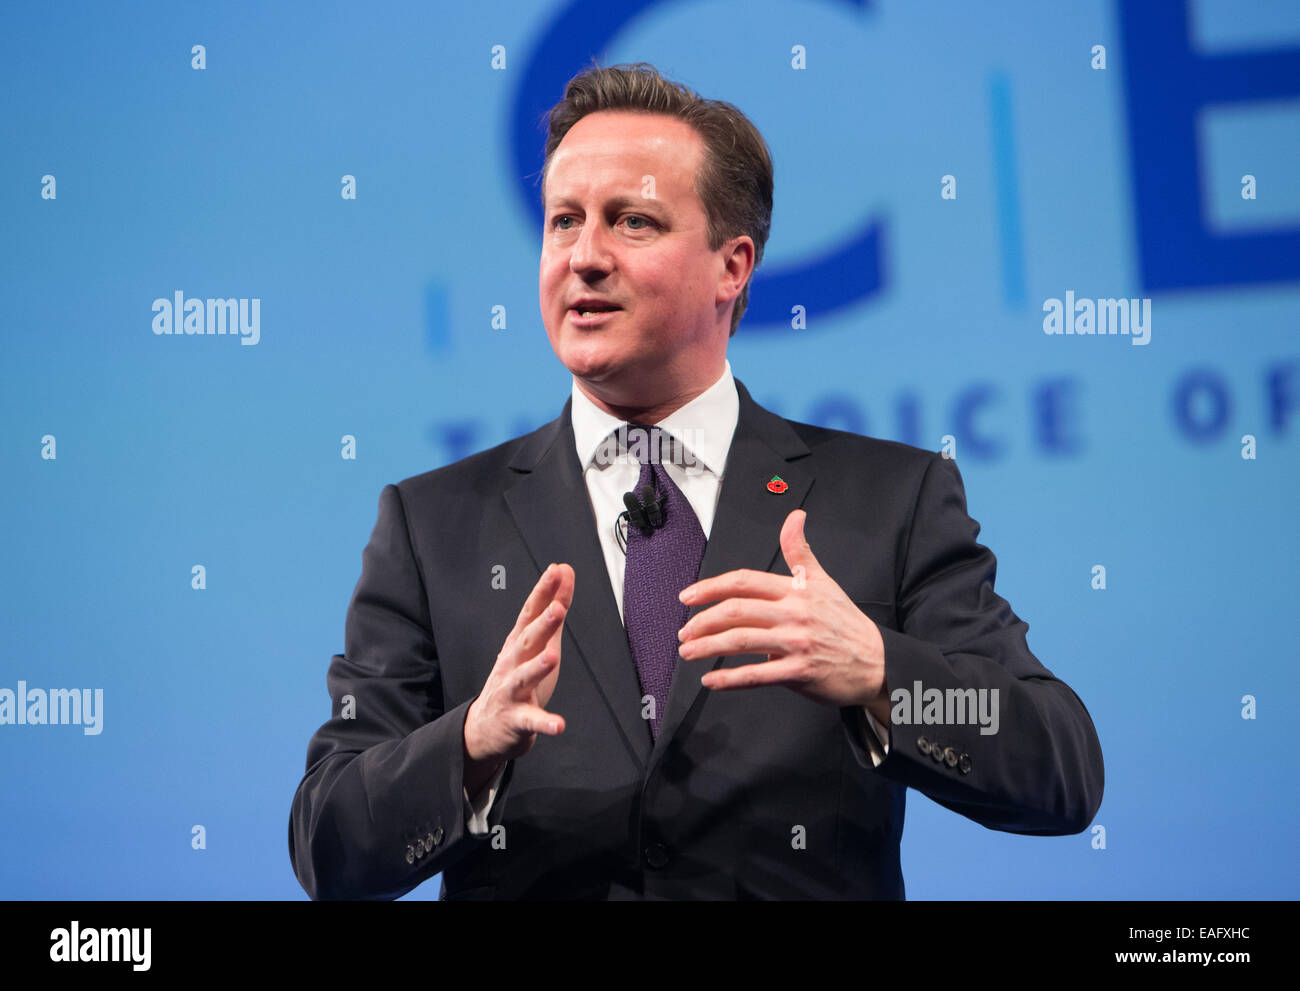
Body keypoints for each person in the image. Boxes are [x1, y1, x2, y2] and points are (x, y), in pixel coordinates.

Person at [289, 62, 1104, 900]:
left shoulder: (888, 500)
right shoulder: (434, 525)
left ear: (733, 265)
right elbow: (329, 840)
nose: (584, 256)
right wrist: (467, 745)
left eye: (631, 221)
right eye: (563, 220)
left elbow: (1058, 764)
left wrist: (881, 673)